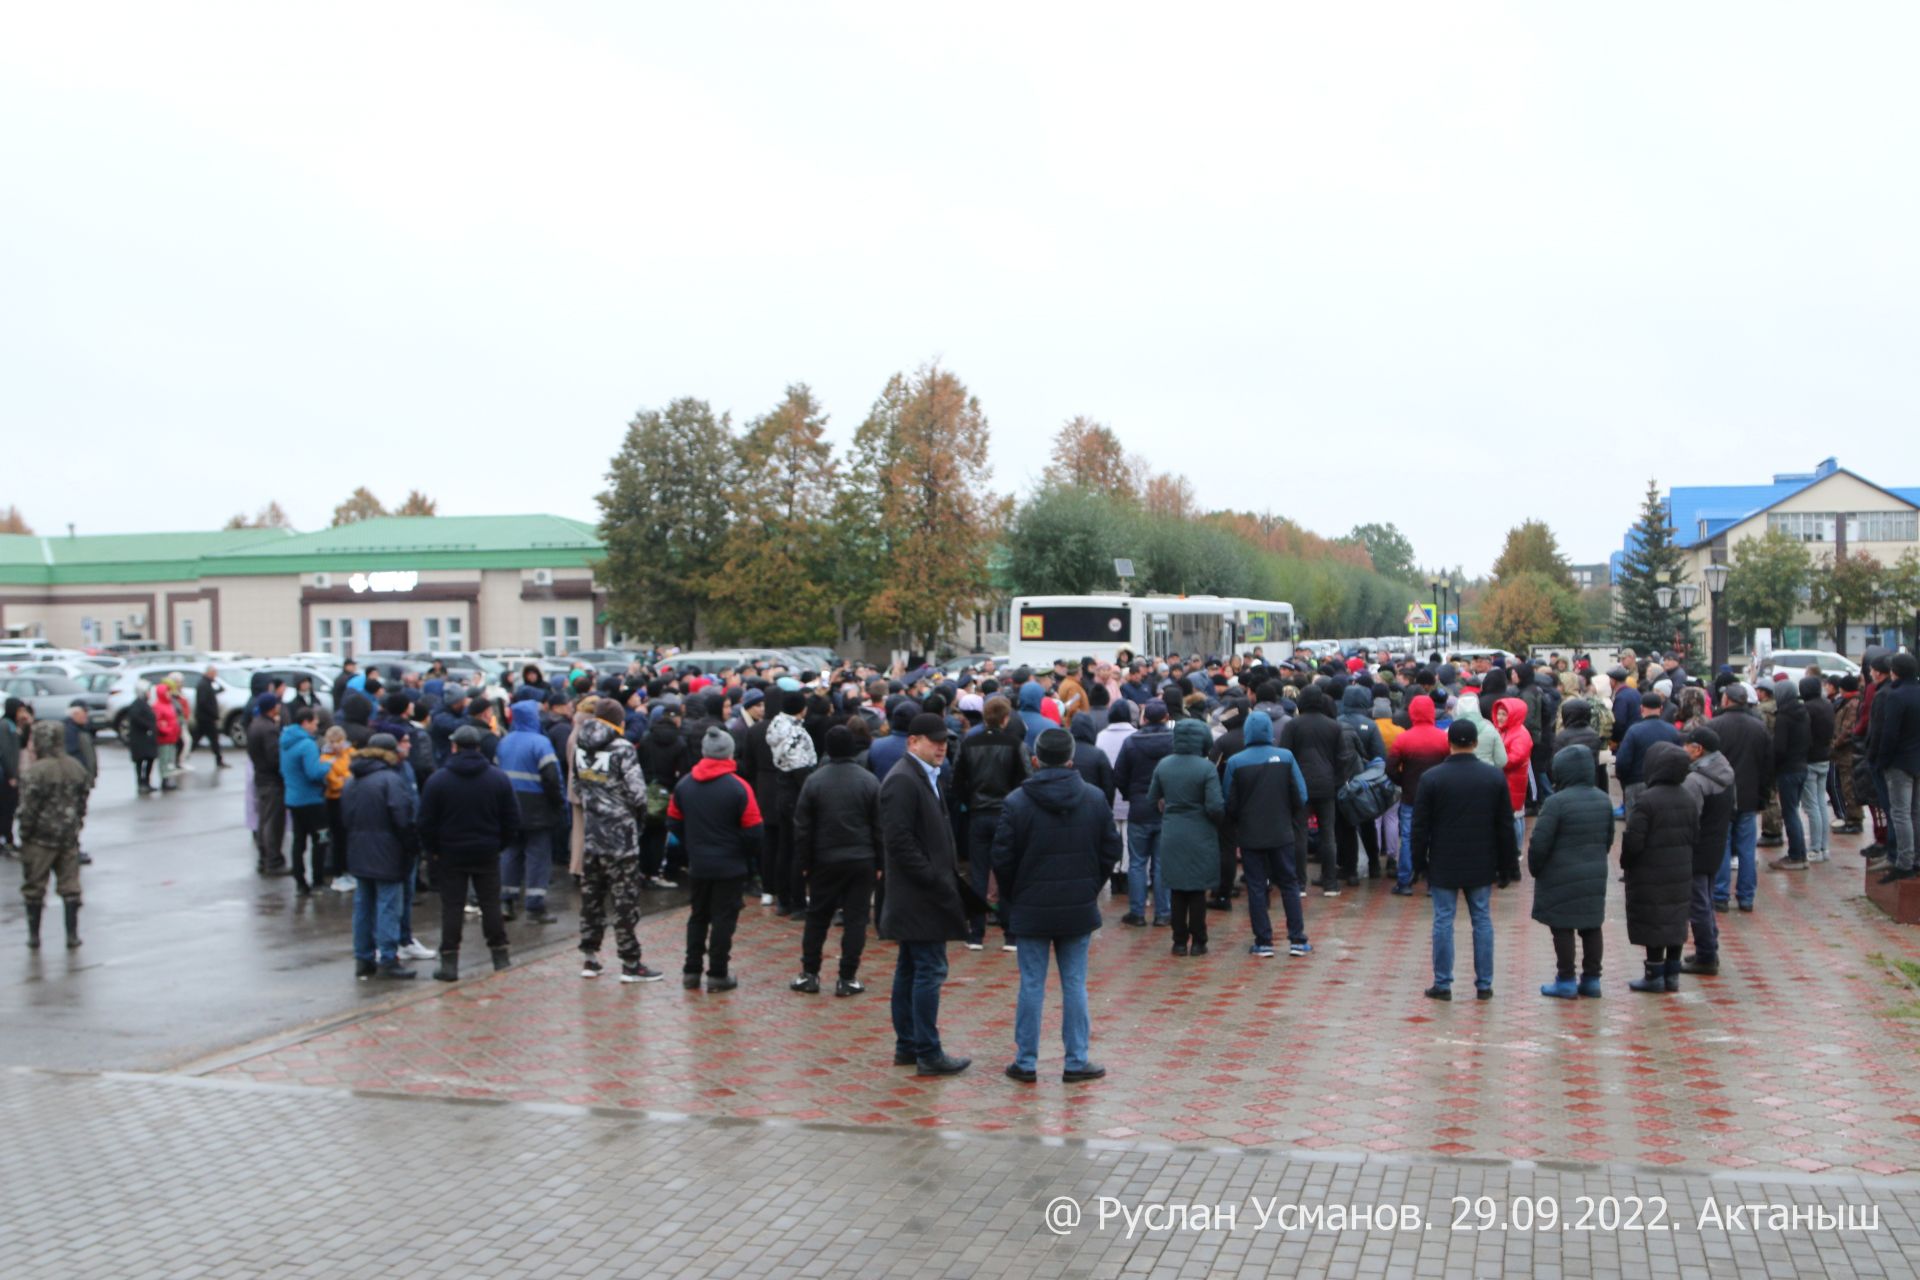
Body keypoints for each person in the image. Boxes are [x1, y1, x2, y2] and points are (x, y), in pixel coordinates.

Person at [991, 726, 1119, 1083]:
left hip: (1031, 905)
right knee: (1075, 983)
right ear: (1071, 759)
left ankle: (1026, 1060)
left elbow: (1002, 857)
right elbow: (1111, 849)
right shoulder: (1093, 798)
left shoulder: (1017, 801)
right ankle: (1076, 1060)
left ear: (1035, 760)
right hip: (1077, 905)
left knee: (1032, 983)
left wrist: (1016, 893)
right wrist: (1091, 885)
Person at [878, 712, 970, 1077]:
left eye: (944, 741)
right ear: (912, 741)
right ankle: (926, 1051)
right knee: (928, 969)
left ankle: (910, 1045)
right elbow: (898, 840)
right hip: (919, 894)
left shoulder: (923, 775)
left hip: (921, 891)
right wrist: (933, 877)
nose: (942, 747)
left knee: (912, 968)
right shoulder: (902, 779)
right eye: (934, 741)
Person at [1409, 719, 1519, 1001]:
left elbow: (1419, 826)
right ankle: (1484, 984)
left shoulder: (1432, 778)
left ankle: (1443, 983)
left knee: (1443, 920)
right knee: (1482, 919)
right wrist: (1508, 865)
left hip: (1444, 859)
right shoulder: (1493, 777)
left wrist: (1418, 862)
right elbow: (1505, 825)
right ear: (1475, 743)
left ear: (1450, 743)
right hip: (1482, 859)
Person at [418, 724, 518, 981]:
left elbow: (426, 822)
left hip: (451, 853)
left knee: (452, 906)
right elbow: (512, 819)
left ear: (454, 746)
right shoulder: (497, 778)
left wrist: (434, 851)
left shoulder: (439, 780)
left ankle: (450, 962)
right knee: (490, 904)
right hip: (487, 851)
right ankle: (500, 956)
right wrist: (499, 844)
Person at [572, 698, 661, 982]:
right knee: (625, 900)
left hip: (592, 834)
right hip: (620, 837)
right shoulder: (622, 748)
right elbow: (637, 793)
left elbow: (577, 785)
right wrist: (638, 820)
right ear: (618, 721)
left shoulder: (579, 745)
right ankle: (630, 962)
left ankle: (590, 957)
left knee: (592, 898)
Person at [791, 725, 881, 996]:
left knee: (817, 916)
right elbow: (880, 826)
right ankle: (847, 977)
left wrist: (804, 861)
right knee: (856, 918)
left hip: (824, 859)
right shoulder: (868, 781)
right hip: (862, 858)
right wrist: (880, 863)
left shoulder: (815, 781)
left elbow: (802, 826)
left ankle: (810, 974)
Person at [671, 727, 763, 990]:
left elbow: (673, 821)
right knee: (724, 918)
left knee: (698, 915)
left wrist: (692, 844)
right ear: (730, 753)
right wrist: (743, 853)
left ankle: (691, 971)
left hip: (699, 863)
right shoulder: (739, 788)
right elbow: (755, 831)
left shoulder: (685, 785)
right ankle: (717, 973)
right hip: (730, 864)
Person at [1223, 710, 1310, 957]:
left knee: (1257, 887)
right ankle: (1297, 940)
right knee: (1289, 884)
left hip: (1250, 834)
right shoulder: (1286, 757)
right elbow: (1301, 796)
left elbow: (1229, 802)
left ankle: (1263, 941)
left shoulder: (1236, 762)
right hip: (1282, 831)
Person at [1528, 744, 1613, 998]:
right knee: (1591, 925)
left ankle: (1566, 979)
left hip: (1559, 875)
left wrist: (1536, 867)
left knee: (1562, 927)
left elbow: (1540, 843)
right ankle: (1592, 980)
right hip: (1594, 874)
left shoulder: (1556, 803)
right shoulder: (1603, 799)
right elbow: (1608, 838)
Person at [341, 732, 420, 980]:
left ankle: (363, 959)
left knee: (363, 906)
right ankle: (388, 958)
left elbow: (344, 818)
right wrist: (412, 846)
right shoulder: (390, 780)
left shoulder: (352, 780)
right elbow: (403, 819)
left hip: (359, 850)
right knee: (388, 905)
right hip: (388, 852)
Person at [1622, 742, 1699, 993]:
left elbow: (1633, 840)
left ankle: (1654, 974)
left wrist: (1626, 863)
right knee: (1675, 921)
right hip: (1680, 871)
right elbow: (1695, 835)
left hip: (1650, 872)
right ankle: (1672, 975)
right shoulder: (1688, 798)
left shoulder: (1647, 800)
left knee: (1654, 921)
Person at [953, 696, 1028, 952]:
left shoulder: (969, 743)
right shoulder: (1014, 744)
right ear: (1006, 719)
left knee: (978, 873)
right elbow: (1025, 779)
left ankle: (976, 933)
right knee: (1006, 871)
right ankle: (1011, 933)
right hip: (1005, 814)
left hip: (978, 813)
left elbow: (957, 780)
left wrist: (971, 801)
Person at [1146, 718, 1225, 955]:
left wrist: (1167, 808)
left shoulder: (1164, 765)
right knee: (1197, 890)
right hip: (1200, 832)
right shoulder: (1206, 767)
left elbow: (1152, 798)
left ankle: (1179, 941)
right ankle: (1199, 941)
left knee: (1177, 889)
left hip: (1172, 831)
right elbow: (1215, 806)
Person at [17, 721, 90, 950]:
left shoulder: (37, 772)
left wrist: (24, 834)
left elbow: (28, 808)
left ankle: (34, 936)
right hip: (68, 838)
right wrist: (75, 825)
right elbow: (82, 803)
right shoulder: (76, 767)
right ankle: (72, 935)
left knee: (35, 888)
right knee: (70, 887)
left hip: (40, 840)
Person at [497, 699, 563, 924]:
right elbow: (553, 778)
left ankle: (507, 901)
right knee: (538, 855)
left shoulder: (504, 742)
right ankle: (534, 906)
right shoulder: (540, 743)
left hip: (508, 804)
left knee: (511, 852)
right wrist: (558, 804)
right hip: (537, 806)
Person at [1278, 686, 1346, 897]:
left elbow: (1285, 755)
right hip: (1327, 785)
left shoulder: (1293, 725)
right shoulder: (1334, 726)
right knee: (1328, 834)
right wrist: (1337, 782)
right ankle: (1330, 883)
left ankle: (1299, 883)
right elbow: (1343, 758)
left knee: (1299, 834)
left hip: (1300, 786)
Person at [1680, 726, 1736, 976]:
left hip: (1697, 848)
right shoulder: (1725, 771)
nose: (1683, 749)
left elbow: (1689, 817)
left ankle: (1706, 954)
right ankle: (1708, 947)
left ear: (1698, 749)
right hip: (1716, 845)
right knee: (1707, 899)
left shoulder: (1696, 780)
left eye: (1686, 745)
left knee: (1698, 903)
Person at [1113, 700, 1176, 924]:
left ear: (1144, 718)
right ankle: (1163, 913)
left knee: (1138, 862)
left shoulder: (1131, 743)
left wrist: (1131, 795)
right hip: (1166, 807)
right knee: (1162, 862)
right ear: (1166, 718)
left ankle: (1137, 912)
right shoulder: (1174, 741)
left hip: (1139, 808)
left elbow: (1119, 774)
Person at [1385, 693, 1450, 896]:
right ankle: (1433, 883)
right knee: (1436, 838)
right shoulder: (1443, 738)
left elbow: (1391, 768)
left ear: (1412, 713)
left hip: (1411, 796)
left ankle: (1404, 881)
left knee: (1408, 837)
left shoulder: (1403, 739)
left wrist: (1403, 782)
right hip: (1438, 798)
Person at [1872, 652, 1920, 883]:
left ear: (1895, 672)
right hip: (1917, 760)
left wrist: (1882, 761)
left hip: (1899, 762)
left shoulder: (1895, 696)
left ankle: (1904, 862)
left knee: (1900, 813)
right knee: (1914, 812)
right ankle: (1916, 858)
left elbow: (1889, 733)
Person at [279, 704, 333, 896]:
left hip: (293, 799)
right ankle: (318, 881)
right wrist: (328, 764)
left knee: (298, 841)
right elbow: (314, 773)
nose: (317, 726)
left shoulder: (286, 741)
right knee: (320, 840)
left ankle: (300, 883)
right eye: (314, 723)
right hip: (312, 801)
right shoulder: (307, 745)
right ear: (305, 723)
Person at [1766, 676, 1812, 870]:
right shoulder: (1803, 712)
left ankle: (1795, 855)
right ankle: (1800, 853)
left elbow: (1780, 748)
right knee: (1793, 811)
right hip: (1802, 766)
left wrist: (1772, 766)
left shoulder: (1784, 717)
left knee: (1790, 812)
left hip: (1788, 770)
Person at [1616, 692, 1680, 820]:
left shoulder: (1634, 731)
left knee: (1636, 823)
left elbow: (1622, 762)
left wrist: (1625, 781)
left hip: (1637, 783)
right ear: (1661, 709)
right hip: (1664, 784)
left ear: (1641, 708)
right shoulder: (1672, 731)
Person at [244, 693, 285, 872]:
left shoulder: (256, 724)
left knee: (264, 819)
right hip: (270, 780)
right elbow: (274, 757)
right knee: (272, 822)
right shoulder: (268, 728)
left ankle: (264, 857)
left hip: (262, 777)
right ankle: (272, 860)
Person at [191, 665, 228, 768]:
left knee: (207, 739)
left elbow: (211, 694)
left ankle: (219, 759)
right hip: (205, 718)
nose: (215, 676)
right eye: (214, 673)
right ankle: (182, 757)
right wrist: (213, 714)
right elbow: (203, 702)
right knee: (208, 739)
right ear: (209, 673)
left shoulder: (207, 684)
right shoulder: (203, 685)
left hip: (207, 717)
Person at [151, 682, 182, 791]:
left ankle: (169, 777)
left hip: (172, 736)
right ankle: (165, 778)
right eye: (167, 692)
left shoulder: (169, 704)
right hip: (164, 737)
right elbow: (158, 722)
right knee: (164, 758)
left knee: (170, 758)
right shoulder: (157, 706)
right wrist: (167, 730)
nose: (169, 694)